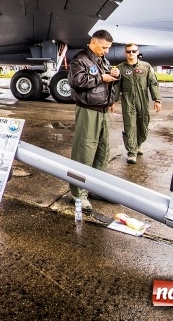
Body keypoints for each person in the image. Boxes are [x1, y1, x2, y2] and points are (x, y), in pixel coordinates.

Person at [67, 29, 121, 213]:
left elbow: (106, 80)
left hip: (103, 109)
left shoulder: (102, 60)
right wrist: (101, 77)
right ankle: (78, 194)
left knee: (102, 150)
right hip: (88, 110)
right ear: (94, 42)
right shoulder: (79, 60)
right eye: (104, 47)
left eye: (108, 48)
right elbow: (76, 81)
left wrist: (114, 75)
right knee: (84, 150)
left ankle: (95, 187)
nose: (106, 51)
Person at [111, 43, 161, 164]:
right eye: (128, 51)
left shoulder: (146, 67)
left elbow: (153, 83)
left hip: (142, 100)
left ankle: (139, 143)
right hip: (128, 101)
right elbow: (116, 85)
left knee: (143, 125)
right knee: (130, 126)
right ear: (125, 53)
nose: (131, 54)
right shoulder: (121, 68)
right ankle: (131, 152)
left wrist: (157, 100)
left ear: (138, 52)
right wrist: (112, 101)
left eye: (133, 51)